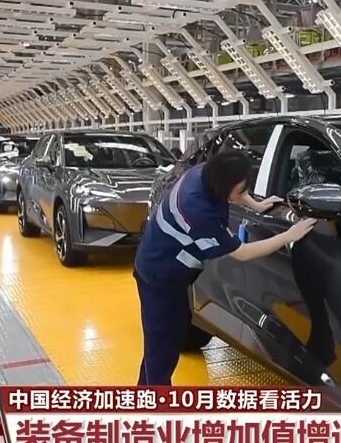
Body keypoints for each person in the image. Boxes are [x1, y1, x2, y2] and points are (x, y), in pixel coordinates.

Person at [133, 149, 318, 385]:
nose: (243, 193)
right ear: (224, 185)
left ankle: (144, 393)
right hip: (158, 278)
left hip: (169, 272)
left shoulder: (206, 173)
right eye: (241, 190)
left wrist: (256, 206)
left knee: (163, 344)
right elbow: (242, 253)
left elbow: (234, 190)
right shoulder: (197, 211)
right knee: (162, 351)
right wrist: (288, 236)